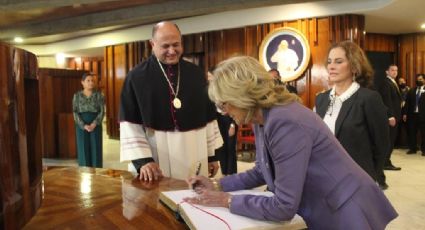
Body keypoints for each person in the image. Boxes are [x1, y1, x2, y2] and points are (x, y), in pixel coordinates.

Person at [184, 56, 398, 229]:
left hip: (344, 208)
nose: (224, 112)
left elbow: (283, 207)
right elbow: (262, 170)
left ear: (242, 96)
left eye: (224, 104)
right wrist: (217, 184)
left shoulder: (284, 121)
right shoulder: (262, 116)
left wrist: (226, 200)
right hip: (329, 202)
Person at [119, 21, 222, 181]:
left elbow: (208, 116)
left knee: (195, 196)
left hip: (194, 150)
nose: (172, 51)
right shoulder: (136, 77)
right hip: (155, 154)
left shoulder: (195, 73)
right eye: (165, 46)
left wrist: (212, 155)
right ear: (152, 44)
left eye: (176, 45)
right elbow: (129, 121)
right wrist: (143, 161)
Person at [315, 41, 390, 190]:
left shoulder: (369, 98)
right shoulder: (321, 99)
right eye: (329, 62)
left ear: (354, 66)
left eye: (339, 61)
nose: (331, 66)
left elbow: (381, 145)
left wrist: (370, 177)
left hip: (358, 181)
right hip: (325, 177)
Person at [72, 73, 105, 167]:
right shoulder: (77, 96)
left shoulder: (99, 95)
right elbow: (75, 112)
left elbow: (102, 111)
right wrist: (83, 125)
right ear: (82, 82)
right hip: (81, 126)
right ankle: (84, 171)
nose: (91, 83)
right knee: (83, 148)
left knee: (96, 148)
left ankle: (97, 171)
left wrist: (94, 124)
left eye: (92, 81)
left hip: (96, 125)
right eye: (88, 81)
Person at [378, 64, 402, 170]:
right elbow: (386, 101)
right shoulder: (386, 83)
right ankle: (385, 163)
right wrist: (390, 116)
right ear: (387, 72)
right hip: (391, 118)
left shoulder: (393, 82)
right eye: (392, 70)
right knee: (389, 141)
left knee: (391, 141)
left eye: (396, 70)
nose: (395, 72)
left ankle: (386, 161)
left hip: (396, 116)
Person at [402, 73, 425, 156]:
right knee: (412, 133)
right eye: (418, 79)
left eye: (421, 79)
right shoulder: (411, 90)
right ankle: (413, 148)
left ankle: (424, 150)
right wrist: (404, 114)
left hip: (423, 116)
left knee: (424, 133)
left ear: (424, 80)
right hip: (412, 115)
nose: (419, 81)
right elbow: (407, 103)